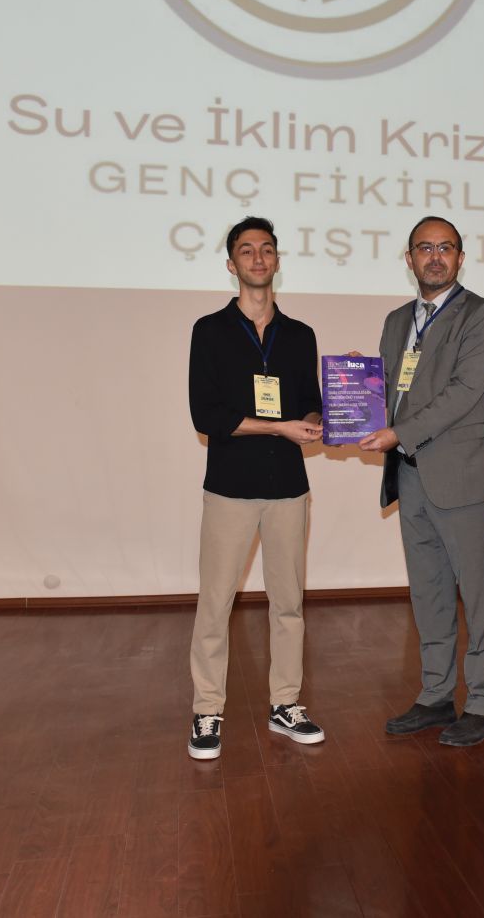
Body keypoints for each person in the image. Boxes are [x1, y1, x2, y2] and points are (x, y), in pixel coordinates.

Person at [359, 216, 484, 747]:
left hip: (462, 477)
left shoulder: (482, 315)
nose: (435, 256)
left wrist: (398, 432)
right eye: (425, 248)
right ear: (410, 259)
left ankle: (483, 703)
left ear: (461, 258)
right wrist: (355, 386)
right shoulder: (398, 320)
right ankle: (436, 694)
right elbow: (387, 388)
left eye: (446, 248)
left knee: (478, 594)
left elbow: (465, 391)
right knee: (429, 593)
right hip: (411, 475)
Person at [185, 216, 325, 760]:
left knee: (289, 604)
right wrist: (278, 428)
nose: (258, 258)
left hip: (289, 486)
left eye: (267, 249)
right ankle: (207, 710)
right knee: (215, 605)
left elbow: (310, 401)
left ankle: (286, 704)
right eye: (247, 250)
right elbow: (207, 416)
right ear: (231, 264)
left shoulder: (300, 334)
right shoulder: (209, 331)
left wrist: (317, 420)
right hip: (230, 487)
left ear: (277, 261)